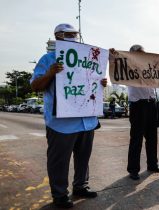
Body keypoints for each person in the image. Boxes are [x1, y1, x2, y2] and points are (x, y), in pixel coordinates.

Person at [30, 23, 107, 208]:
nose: (73, 37)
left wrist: (100, 82)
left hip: (86, 121)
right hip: (61, 122)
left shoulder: (87, 57)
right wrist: (50, 73)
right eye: (69, 34)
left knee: (83, 158)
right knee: (59, 161)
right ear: (58, 36)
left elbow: (90, 82)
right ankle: (59, 194)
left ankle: (80, 186)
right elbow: (35, 86)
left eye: (75, 34)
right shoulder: (48, 58)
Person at [122, 44, 159, 180]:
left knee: (152, 138)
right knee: (136, 139)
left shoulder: (149, 67)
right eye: (141, 53)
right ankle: (133, 169)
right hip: (138, 106)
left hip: (151, 104)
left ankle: (152, 164)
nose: (144, 55)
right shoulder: (128, 67)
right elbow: (115, 65)